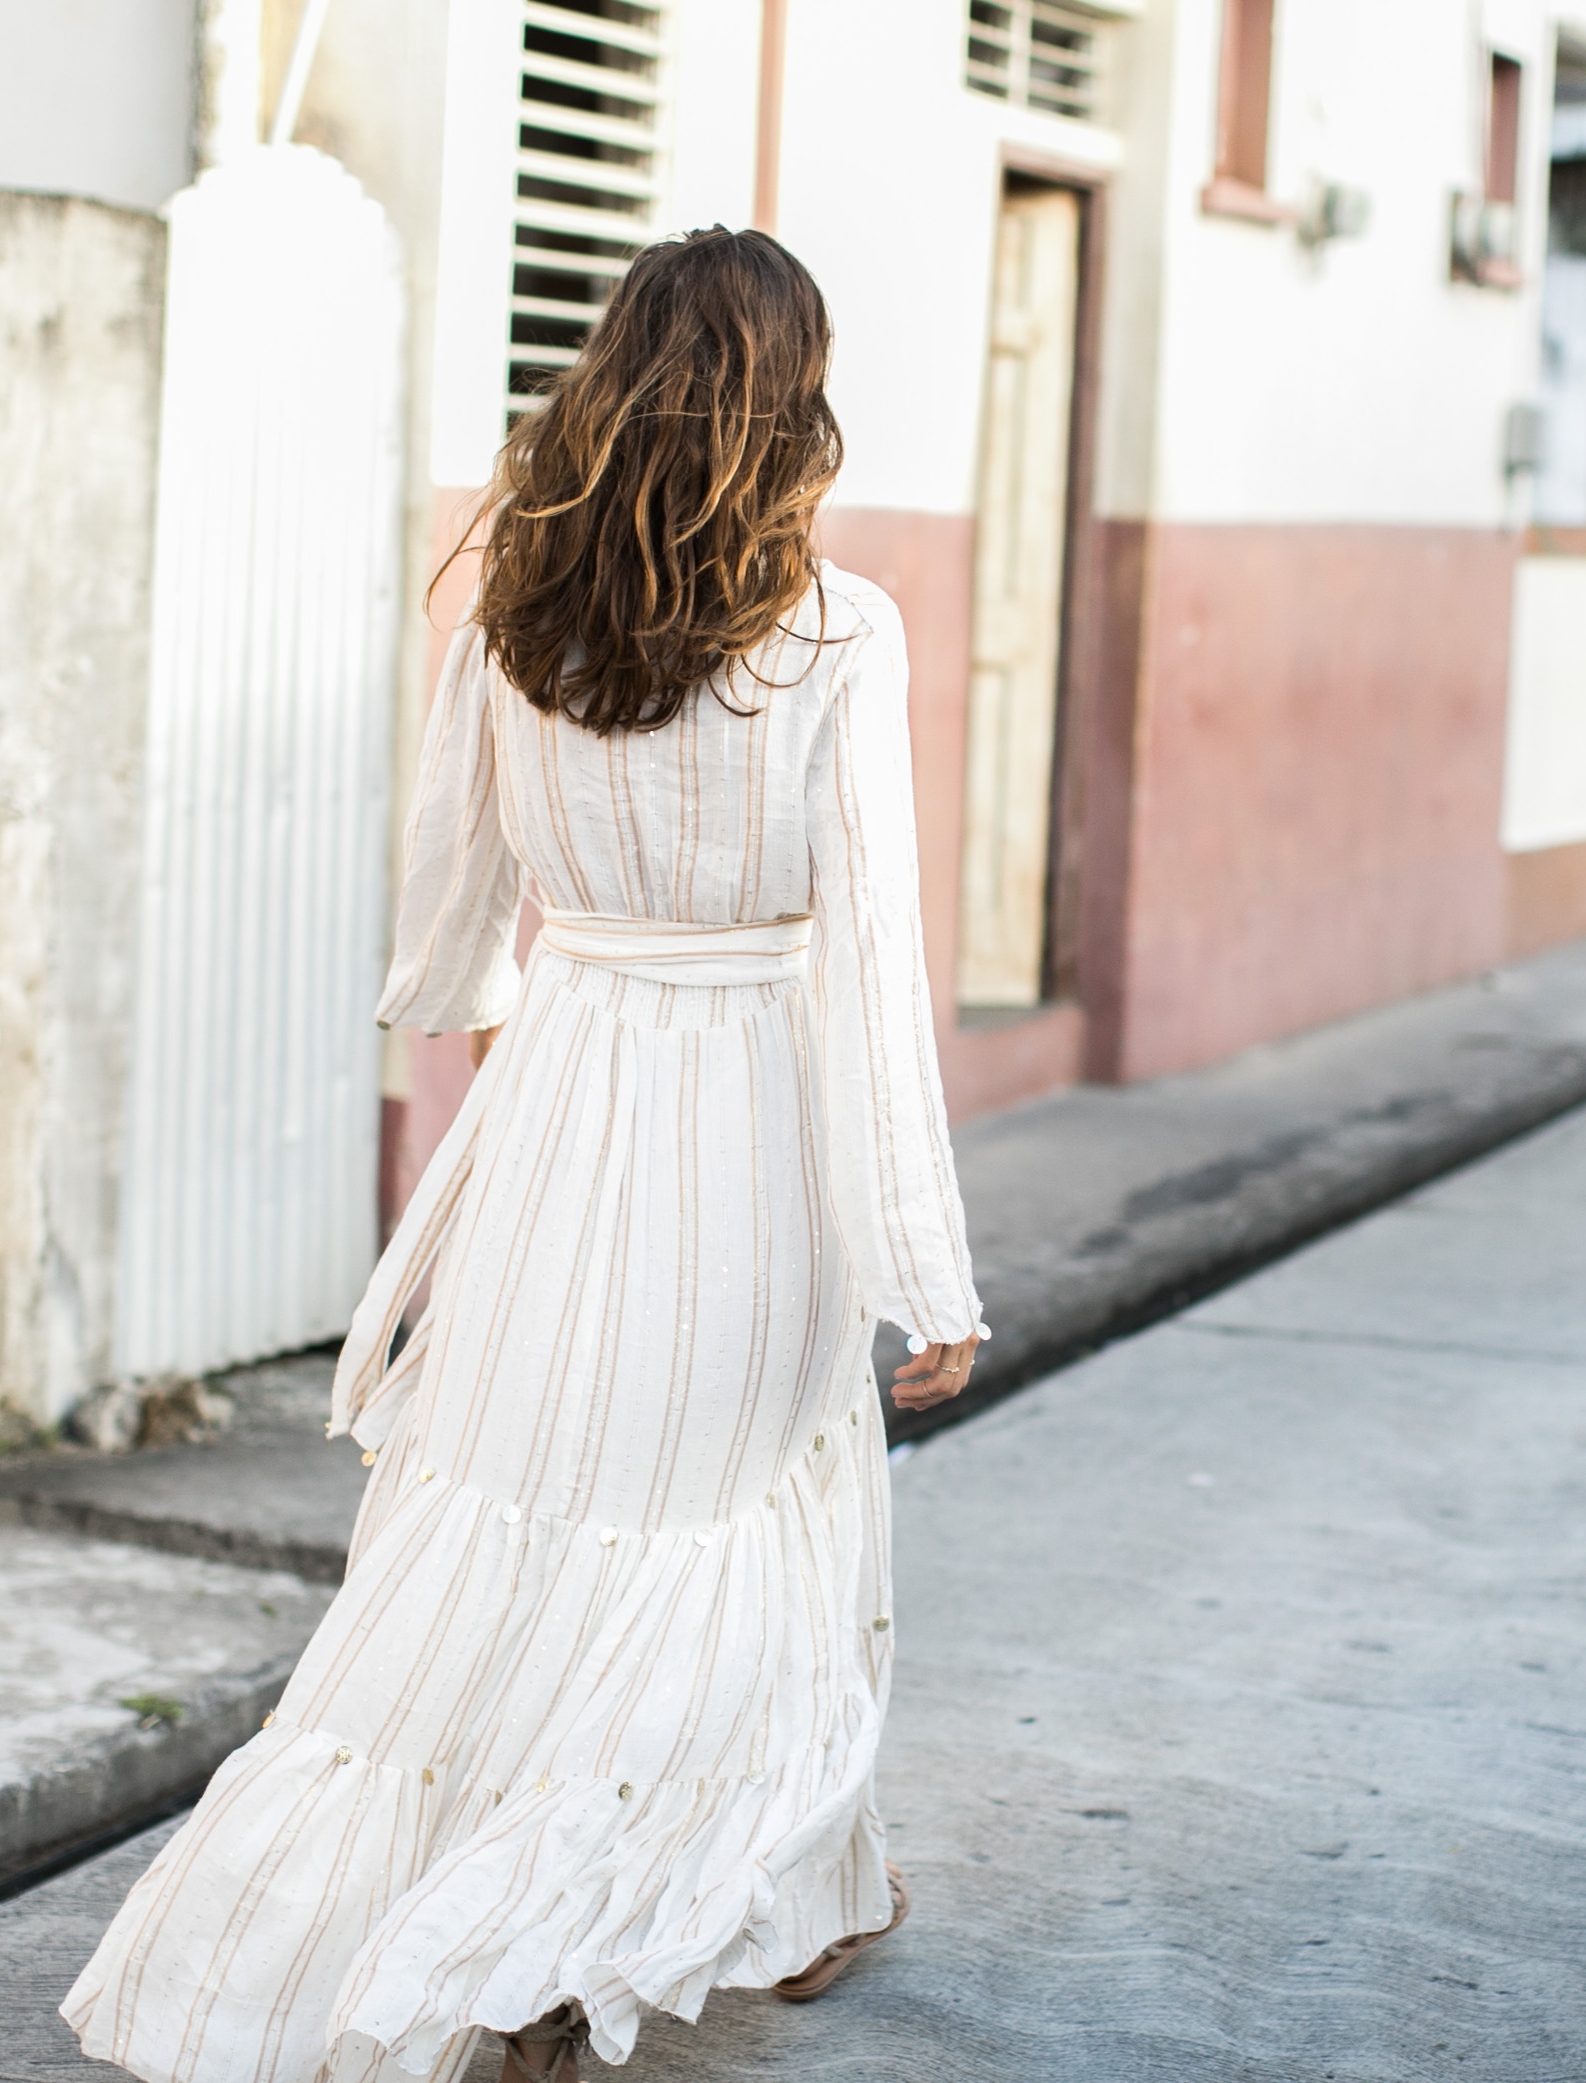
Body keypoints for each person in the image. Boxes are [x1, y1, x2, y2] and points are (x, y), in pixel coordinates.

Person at [62, 228, 986, 2083]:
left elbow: (454, 905)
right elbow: (876, 955)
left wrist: (498, 1017)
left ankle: (801, 1883)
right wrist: (919, 1257)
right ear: (786, 395)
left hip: (564, 1091)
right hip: (758, 1114)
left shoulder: (515, 600)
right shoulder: (836, 628)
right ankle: (565, 1936)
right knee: (740, 1517)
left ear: (609, 374)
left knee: (546, 1489)